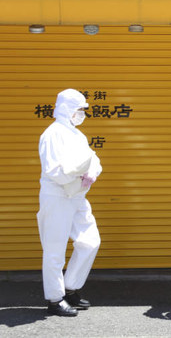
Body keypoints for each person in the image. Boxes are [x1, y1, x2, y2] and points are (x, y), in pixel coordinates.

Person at [37, 89, 102, 316]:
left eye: (83, 110)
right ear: (67, 109)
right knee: (54, 248)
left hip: (77, 195)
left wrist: (91, 173)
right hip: (57, 196)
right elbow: (53, 169)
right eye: (79, 109)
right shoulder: (53, 134)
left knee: (90, 241)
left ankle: (70, 286)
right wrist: (77, 175)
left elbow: (93, 159)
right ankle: (55, 299)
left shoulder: (77, 135)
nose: (82, 114)